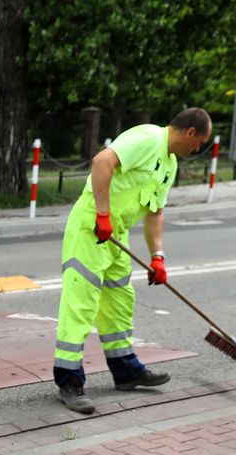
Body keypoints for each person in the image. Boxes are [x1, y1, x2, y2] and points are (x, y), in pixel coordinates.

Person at [52, 107, 212, 414]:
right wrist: (101, 214)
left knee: (120, 304)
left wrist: (158, 257)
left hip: (115, 235)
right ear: (190, 132)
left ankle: (126, 371)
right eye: (200, 142)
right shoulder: (147, 138)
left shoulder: (170, 164)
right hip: (91, 229)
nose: (198, 149)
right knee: (81, 305)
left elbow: (155, 212)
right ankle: (69, 382)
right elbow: (102, 162)